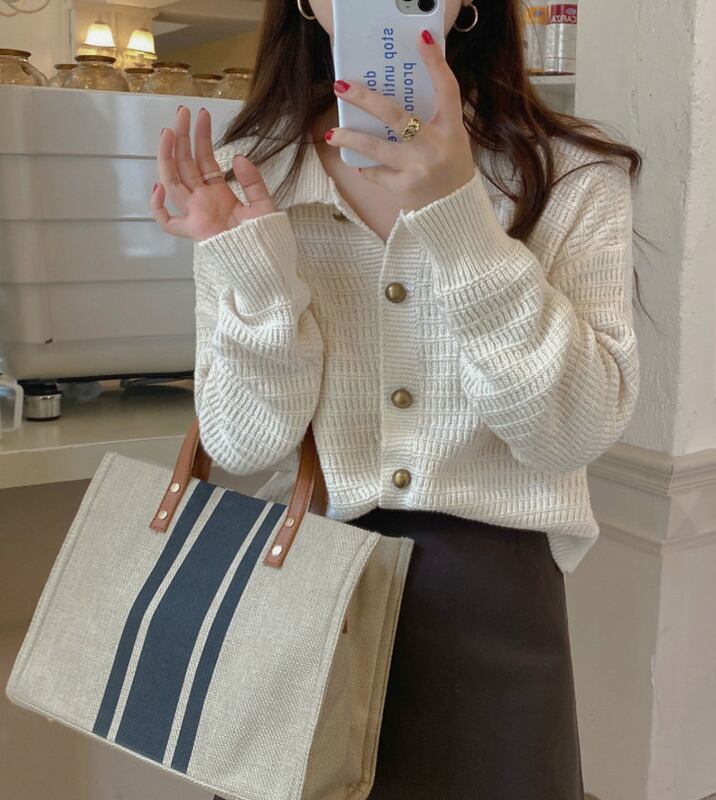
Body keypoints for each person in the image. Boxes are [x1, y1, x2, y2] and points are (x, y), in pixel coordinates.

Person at [150, 1, 642, 796]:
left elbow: (573, 432)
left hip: (495, 612)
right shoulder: (250, 177)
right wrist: (254, 270)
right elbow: (243, 444)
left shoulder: (572, 174)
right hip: (302, 587)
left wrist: (459, 215)